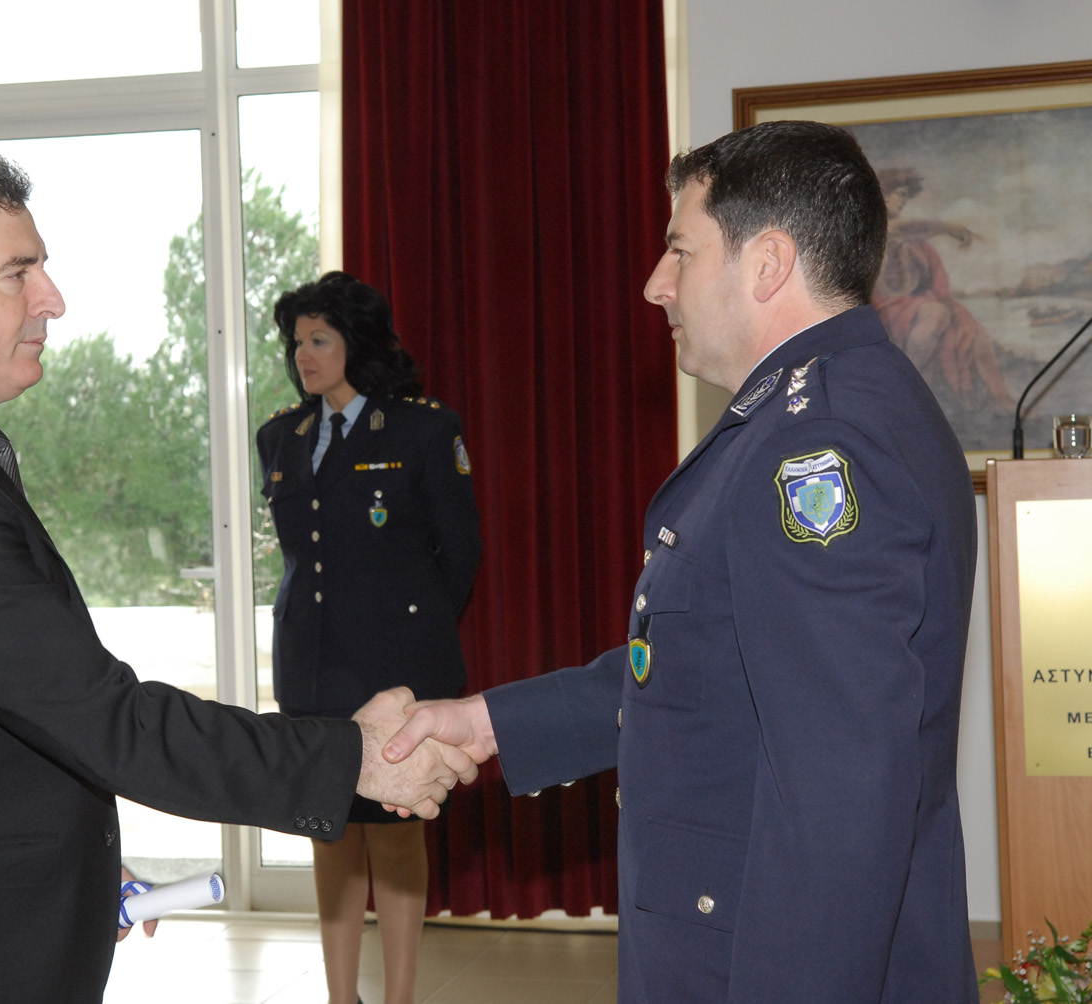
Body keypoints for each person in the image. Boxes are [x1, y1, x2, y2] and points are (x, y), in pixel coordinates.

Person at [0, 146, 474, 1004]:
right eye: (18, 274)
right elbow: (102, 715)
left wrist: (75, 859)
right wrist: (351, 758)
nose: (51, 299)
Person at [383, 121, 979, 1002]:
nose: (655, 284)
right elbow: (707, 666)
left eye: (681, 250)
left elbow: (841, 793)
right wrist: (490, 724)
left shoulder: (816, 444)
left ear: (767, 263)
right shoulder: (819, 410)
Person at [257, 271, 480, 1004]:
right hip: (312, 665)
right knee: (329, 825)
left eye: (319, 340)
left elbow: (460, 555)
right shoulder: (280, 436)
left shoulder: (422, 429)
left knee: (393, 828)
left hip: (396, 668)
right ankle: (340, 995)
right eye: (297, 343)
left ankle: (400, 995)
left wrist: (410, 629)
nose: (304, 356)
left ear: (356, 343)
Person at [872, 165, 1012, 410]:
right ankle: (904, 384)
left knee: (973, 331)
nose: (904, 201)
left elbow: (937, 284)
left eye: (907, 196)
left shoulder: (918, 244)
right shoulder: (875, 230)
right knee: (937, 313)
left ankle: (998, 398)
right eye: (901, 194)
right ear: (883, 194)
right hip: (883, 306)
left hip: (916, 307)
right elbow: (905, 229)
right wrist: (950, 228)